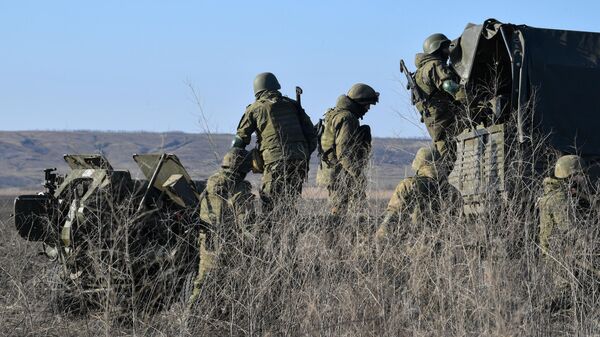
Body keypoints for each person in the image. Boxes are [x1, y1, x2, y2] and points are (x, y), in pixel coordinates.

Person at [233, 72, 316, 215]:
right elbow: (312, 134)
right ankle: (290, 232)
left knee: (269, 201)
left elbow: (240, 139)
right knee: (289, 201)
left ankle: (274, 234)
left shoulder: (255, 108)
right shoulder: (293, 105)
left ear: (257, 90)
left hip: (275, 161)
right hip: (300, 160)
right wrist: (304, 153)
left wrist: (231, 164)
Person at [188, 148, 256, 308]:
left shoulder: (211, 183)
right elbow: (245, 220)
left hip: (207, 241)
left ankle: (190, 318)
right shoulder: (239, 187)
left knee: (202, 282)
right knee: (233, 285)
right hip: (229, 244)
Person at [537, 154, 595, 312]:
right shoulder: (558, 198)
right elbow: (570, 230)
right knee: (568, 293)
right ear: (572, 176)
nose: (585, 178)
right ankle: (542, 314)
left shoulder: (559, 192)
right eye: (581, 174)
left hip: (559, 250)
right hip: (559, 253)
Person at [316, 83, 379, 216]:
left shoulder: (334, 113)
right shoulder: (347, 118)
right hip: (341, 173)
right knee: (343, 214)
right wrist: (357, 175)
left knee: (341, 210)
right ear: (358, 103)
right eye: (366, 104)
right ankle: (339, 236)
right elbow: (344, 153)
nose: (368, 108)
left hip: (334, 171)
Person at [375, 146, 460, 241]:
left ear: (418, 164)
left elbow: (392, 216)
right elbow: (456, 226)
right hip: (443, 248)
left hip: (412, 246)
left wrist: (379, 240)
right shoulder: (453, 191)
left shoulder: (408, 185)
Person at [414, 33, 465, 168]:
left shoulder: (420, 71)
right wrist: (466, 97)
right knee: (447, 158)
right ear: (437, 48)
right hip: (443, 117)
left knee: (444, 154)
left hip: (435, 119)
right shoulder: (434, 64)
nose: (448, 51)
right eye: (445, 47)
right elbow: (448, 85)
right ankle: (439, 186)